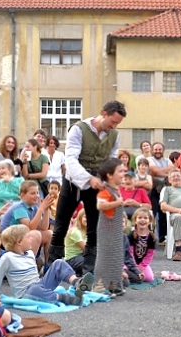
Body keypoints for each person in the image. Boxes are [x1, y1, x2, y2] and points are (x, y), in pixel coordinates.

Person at [48, 100, 126, 274]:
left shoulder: (114, 135)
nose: (114, 126)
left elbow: (111, 160)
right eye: (113, 122)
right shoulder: (78, 129)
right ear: (103, 114)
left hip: (97, 184)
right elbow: (71, 160)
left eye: (118, 123)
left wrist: (109, 180)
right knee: (60, 226)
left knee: (93, 227)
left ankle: (89, 270)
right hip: (72, 182)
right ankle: (51, 269)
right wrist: (89, 178)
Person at [0, 224, 94, 306]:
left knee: (59, 263)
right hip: (26, 293)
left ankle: (77, 283)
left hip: (39, 285)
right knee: (34, 289)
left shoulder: (30, 253)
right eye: (28, 237)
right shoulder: (8, 257)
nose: (31, 239)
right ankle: (66, 298)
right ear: (19, 242)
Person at [94, 157, 127, 295]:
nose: (123, 174)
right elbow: (100, 205)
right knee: (104, 258)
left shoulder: (116, 191)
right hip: (106, 230)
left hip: (115, 231)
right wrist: (117, 203)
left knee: (116, 257)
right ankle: (100, 286)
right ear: (109, 175)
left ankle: (114, 285)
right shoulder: (105, 191)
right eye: (120, 171)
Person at [0, 181, 53, 264]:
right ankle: (29, 265)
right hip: (9, 241)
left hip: (21, 238)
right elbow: (30, 228)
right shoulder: (19, 207)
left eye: (37, 193)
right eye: (33, 193)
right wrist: (41, 209)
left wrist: (46, 210)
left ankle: (48, 265)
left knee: (49, 234)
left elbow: (44, 227)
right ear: (23, 196)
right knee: (35, 234)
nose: (37, 196)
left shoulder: (34, 207)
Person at [148, 142, 175, 244]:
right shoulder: (149, 160)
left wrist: (158, 171)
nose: (158, 151)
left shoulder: (168, 160)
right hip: (153, 189)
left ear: (163, 150)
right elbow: (153, 170)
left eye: (160, 149)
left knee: (164, 214)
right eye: (156, 149)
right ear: (152, 150)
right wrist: (166, 174)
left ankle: (162, 238)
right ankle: (148, 237)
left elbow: (172, 169)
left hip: (165, 189)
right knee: (152, 213)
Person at [126, 208, 156, 283]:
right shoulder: (131, 235)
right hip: (130, 263)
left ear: (150, 221)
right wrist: (135, 267)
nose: (142, 220)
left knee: (149, 278)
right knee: (136, 277)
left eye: (145, 218)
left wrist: (142, 266)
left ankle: (133, 275)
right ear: (135, 221)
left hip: (141, 263)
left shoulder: (151, 237)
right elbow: (130, 253)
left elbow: (150, 254)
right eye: (140, 218)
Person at [64, 209, 87, 275]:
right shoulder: (75, 231)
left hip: (81, 256)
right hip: (71, 259)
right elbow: (86, 249)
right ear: (80, 218)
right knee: (92, 260)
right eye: (85, 217)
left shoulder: (88, 231)